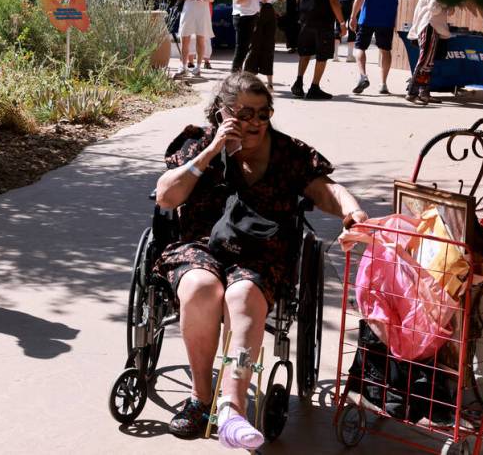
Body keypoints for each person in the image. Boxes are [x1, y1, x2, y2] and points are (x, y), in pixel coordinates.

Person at [155, 72, 368, 447]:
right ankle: (201, 397)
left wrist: (352, 212)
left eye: (262, 113)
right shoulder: (200, 143)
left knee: (243, 298)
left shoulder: (289, 153)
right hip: (200, 245)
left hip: (261, 250)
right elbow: (166, 198)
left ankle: (231, 411)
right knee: (202, 287)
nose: (254, 123)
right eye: (243, 113)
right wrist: (210, 152)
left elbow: (324, 189)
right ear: (222, 112)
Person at [349, 0, 420, 95]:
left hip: (367, 18)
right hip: (386, 21)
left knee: (360, 48)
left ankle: (363, 76)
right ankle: (383, 84)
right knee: (385, 50)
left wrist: (353, 16)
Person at [291, 0, 346, 100]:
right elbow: (334, 0)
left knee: (305, 52)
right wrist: (342, 23)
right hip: (323, 21)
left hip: (305, 20)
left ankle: (298, 82)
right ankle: (314, 87)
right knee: (322, 55)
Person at [245, 0, 299, 89]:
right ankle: (248, 79)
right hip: (255, 14)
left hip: (269, 14)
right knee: (254, 46)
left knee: (269, 47)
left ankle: (269, 83)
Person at [406, 0, 453, 105]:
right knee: (425, 60)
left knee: (429, 62)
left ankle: (424, 93)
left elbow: (450, 11)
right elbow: (434, 9)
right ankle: (412, 93)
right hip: (429, 26)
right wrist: (446, 5)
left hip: (434, 27)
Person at [176, 0, 217, 78]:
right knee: (185, 38)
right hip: (188, 9)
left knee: (201, 39)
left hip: (202, 10)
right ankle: (183, 66)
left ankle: (198, 67)